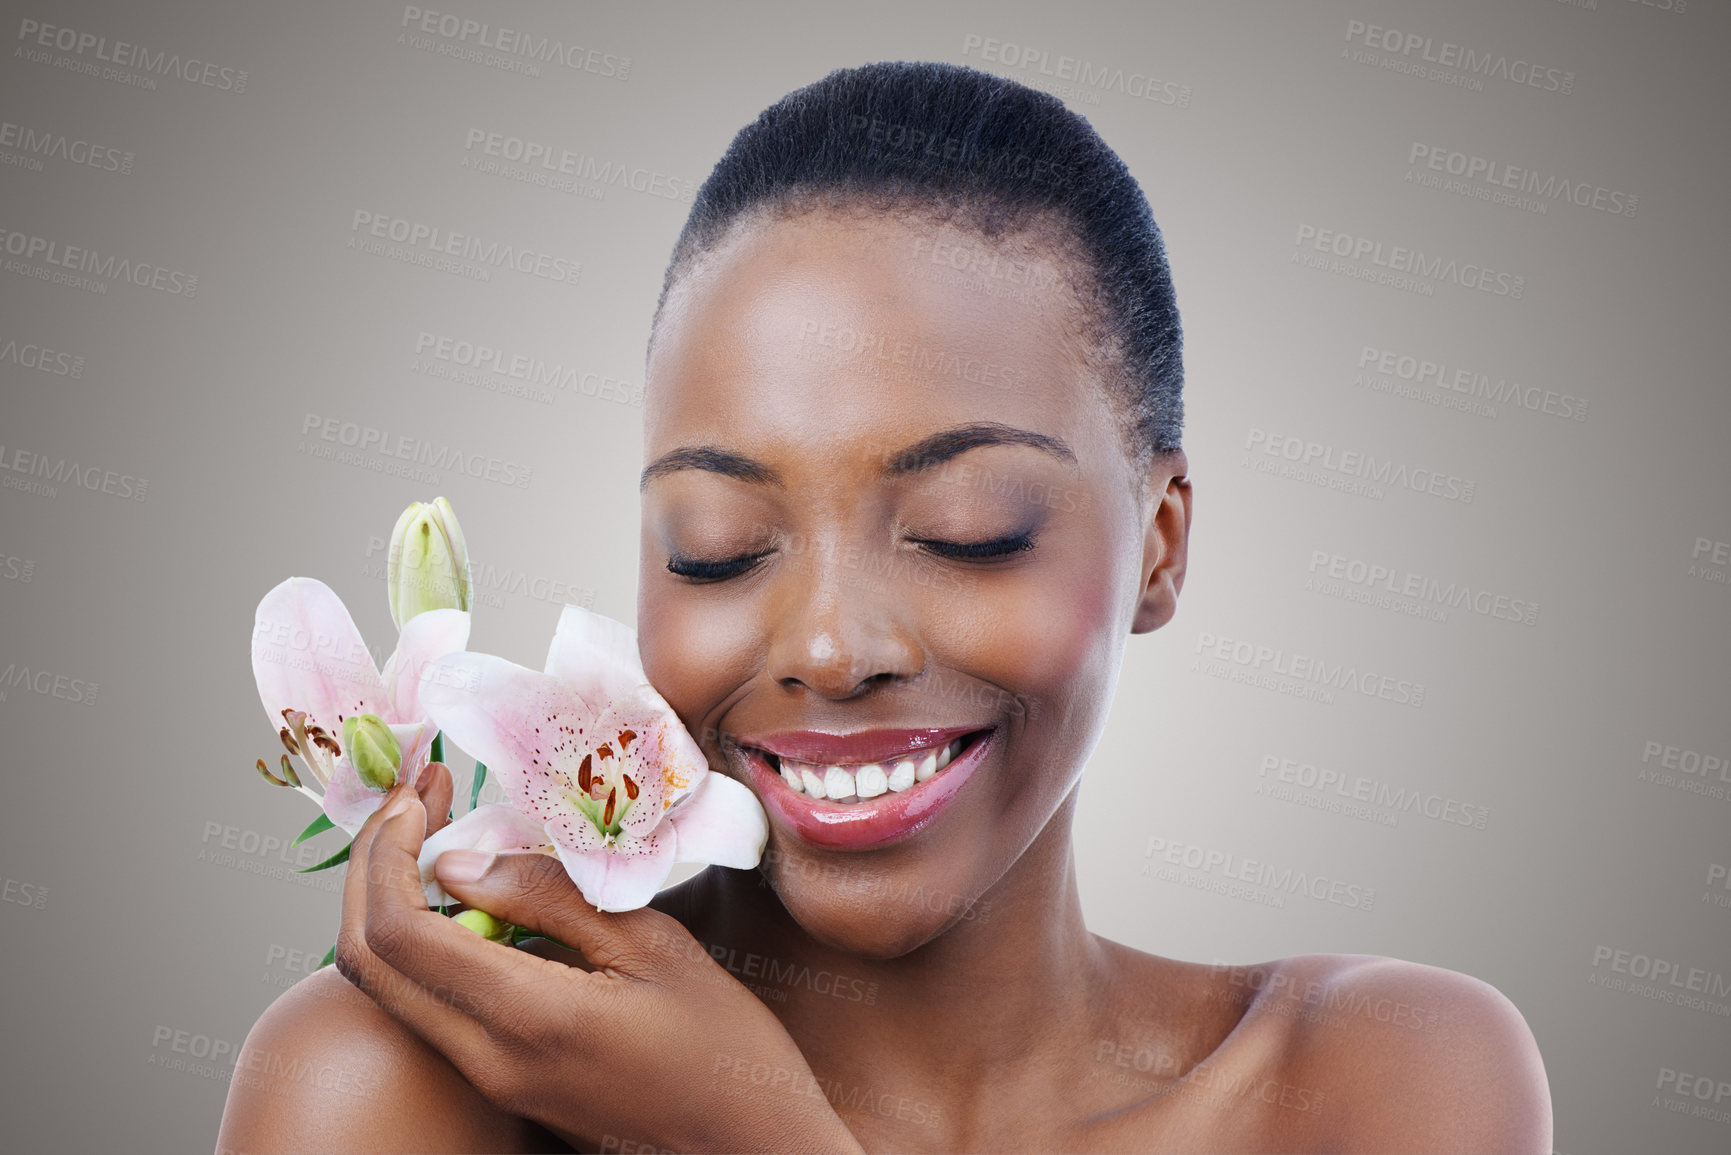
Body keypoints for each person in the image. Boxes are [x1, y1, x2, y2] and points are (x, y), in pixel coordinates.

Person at [217, 61, 1551, 1154]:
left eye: (971, 530)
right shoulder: (393, 1092)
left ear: (1159, 544)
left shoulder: (1369, 1086)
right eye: (719, 545)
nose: (829, 645)